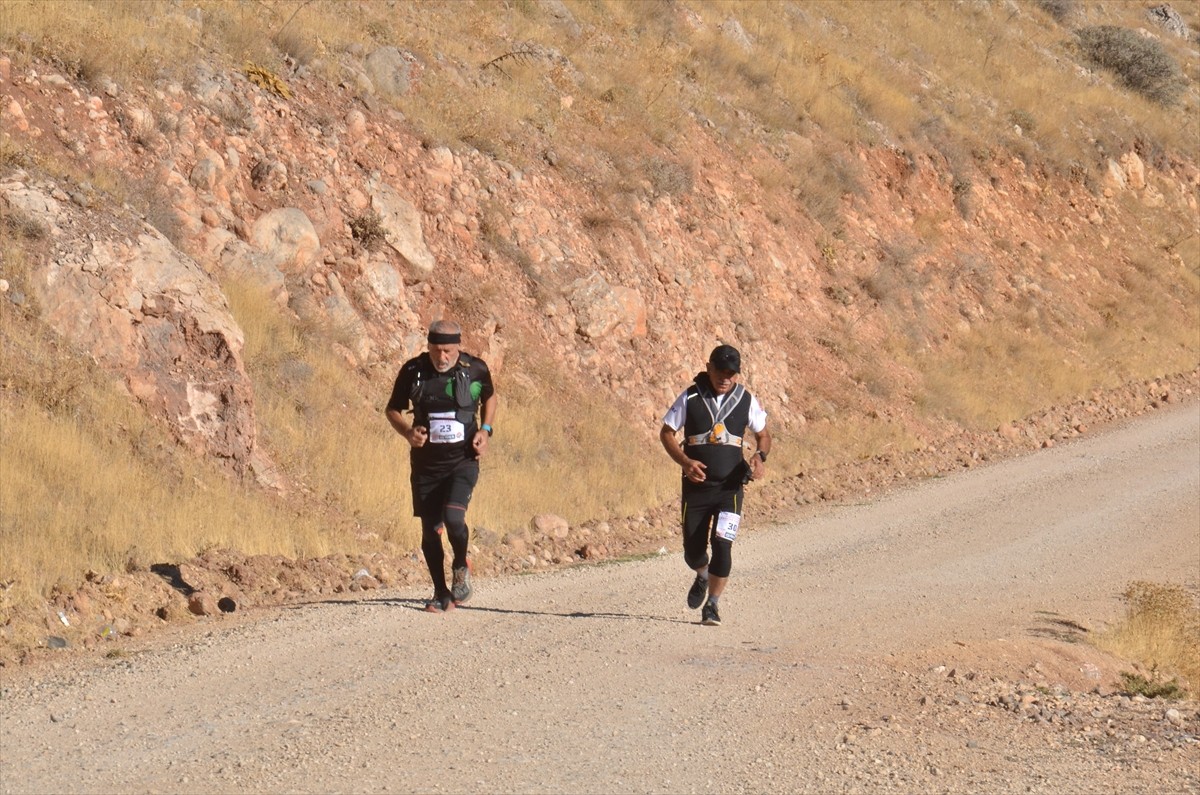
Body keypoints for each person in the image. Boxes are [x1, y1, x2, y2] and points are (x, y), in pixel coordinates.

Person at [386, 320, 497, 613]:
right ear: (428, 347)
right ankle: (441, 593)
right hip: (426, 466)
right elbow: (392, 409)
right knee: (430, 529)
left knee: (454, 519)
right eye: (436, 350)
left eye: (448, 350)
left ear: (457, 347)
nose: (442, 357)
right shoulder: (413, 371)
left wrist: (485, 430)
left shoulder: (476, 369)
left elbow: (490, 397)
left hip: (463, 461)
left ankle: (460, 564)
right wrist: (408, 433)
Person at [659, 344, 770, 626]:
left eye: (732, 373)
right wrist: (685, 462)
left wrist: (760, 456)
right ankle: (703, 574)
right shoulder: (691, 397)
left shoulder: (745, 399)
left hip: (729, 489)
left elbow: (764, 434)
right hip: (696, 489)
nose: (726, 378)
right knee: (692, 551)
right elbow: (667, 433)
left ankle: (713, 605)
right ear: (709, 367)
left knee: (723, 545)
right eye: (721, 371)